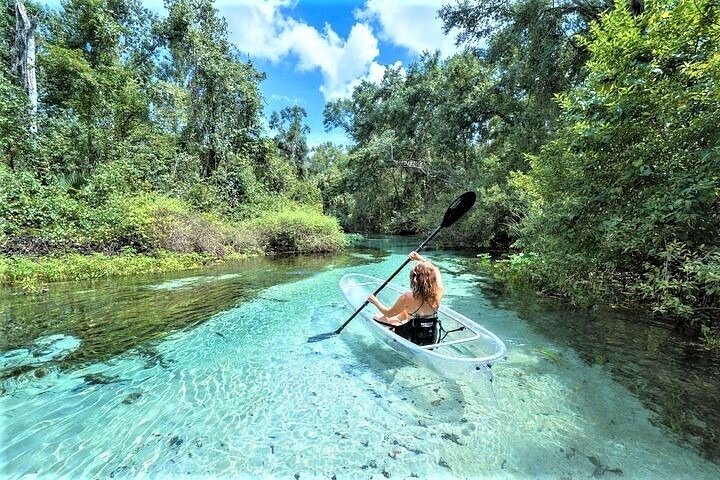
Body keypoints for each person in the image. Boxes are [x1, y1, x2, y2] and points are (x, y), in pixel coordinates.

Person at [367, 251, 444, 346]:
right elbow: (435, 270)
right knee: (407, 311)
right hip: (431, 338)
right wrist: (420, 259)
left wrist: (375, 302)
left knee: (378, 318)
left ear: (414, 280)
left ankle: (386, 323)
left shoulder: (407, 297)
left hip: (412, 339)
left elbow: (388, 313)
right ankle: (398, 320)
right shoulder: (438, 292)